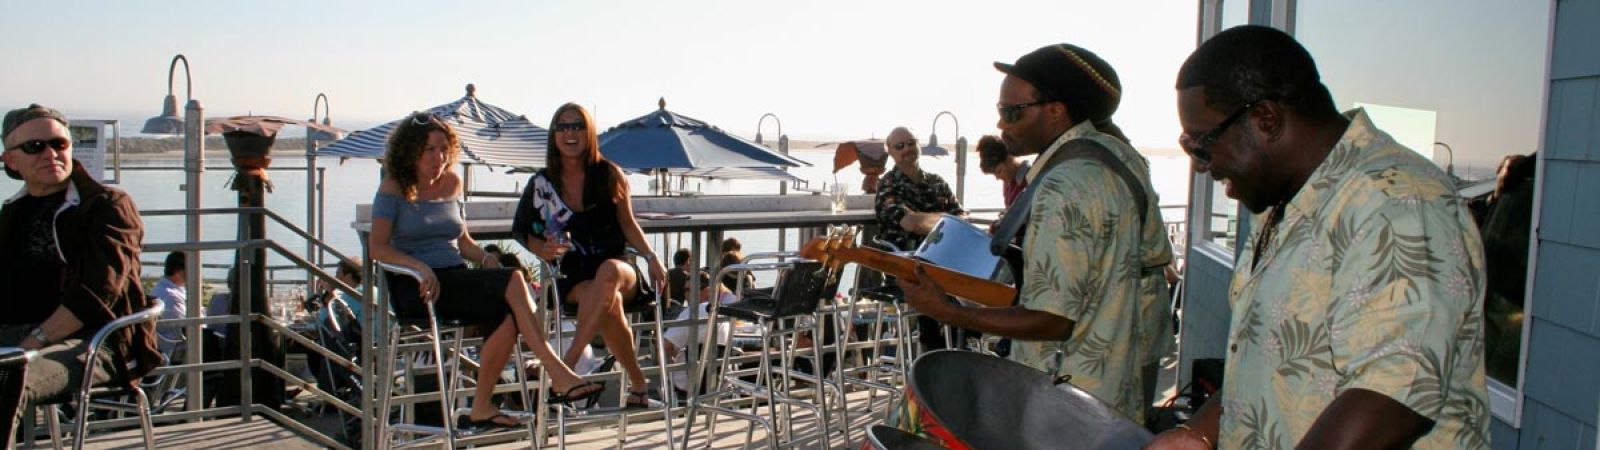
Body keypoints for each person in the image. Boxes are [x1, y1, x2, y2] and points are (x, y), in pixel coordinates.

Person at [1146, 26, 1488, 450]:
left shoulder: (1397, 204)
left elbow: (1390, 396)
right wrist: (1197, 434)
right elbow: (1268, 362)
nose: (1201, 164)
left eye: (1204, 143)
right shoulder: (1285, 201)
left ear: (1266, 120)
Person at [897, 44, 1174, 424]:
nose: (1001, 125)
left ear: (1056, 111)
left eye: (1011, 112)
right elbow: (1142, 254)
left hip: (1070, 396)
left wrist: (948, 311)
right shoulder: (1119, 155)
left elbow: (1052, 320)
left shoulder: (1063, 184)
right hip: (1119, 377)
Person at [370, 112, 602, 430]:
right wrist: (419, 266)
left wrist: (485, 259)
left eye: (442, 149)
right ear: (409, 151)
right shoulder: (394, 187)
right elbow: (377, 247)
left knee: (508, 314)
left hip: (453, 277)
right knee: (514, 280)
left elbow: (462, 240)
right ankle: (558, 373)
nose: (438, 157)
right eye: (428, 149)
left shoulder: (452, 182)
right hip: (416, 286)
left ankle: (481, 407)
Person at [0, 104, 161, 436]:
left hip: (93, 341)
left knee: (7, 377)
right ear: (10, 161)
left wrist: (34, 341)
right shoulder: (11, 213)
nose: (51, 153)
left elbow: (95, 294)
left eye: (59, 144)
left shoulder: (106, 206)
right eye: (35, 146)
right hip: (18, 334)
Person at [512, 103, 669, 410]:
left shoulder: (610, 174)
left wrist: (651, 257)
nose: (570, 133)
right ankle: (638, 386)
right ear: (554, 135)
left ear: (589, 134)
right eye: (563, 127)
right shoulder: (542, 184)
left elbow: (628, 223)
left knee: (608, 274)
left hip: (620, 267)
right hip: (574, 275)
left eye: (577, 126)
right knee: (608, 304)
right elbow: (520, 230)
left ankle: (566, 369)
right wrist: (539, 248)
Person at [873, 126, 966, 252]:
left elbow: (962, 218)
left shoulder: (938, 182)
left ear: (918, 145)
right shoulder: (887, 186)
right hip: (907, 260)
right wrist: (948, 219)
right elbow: (911, 223)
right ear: (890, 151)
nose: (907, 148)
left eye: (911, 143)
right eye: (900, 146)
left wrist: (925, 219)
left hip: (945, 257)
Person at [662, 271, 736, 394]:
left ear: (708, 290)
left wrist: (675, 355)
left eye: (691, 290)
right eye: (685, 290)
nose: (687, 294)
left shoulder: (692, 313)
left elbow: (665, 346)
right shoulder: (724, 312)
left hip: (689, 386)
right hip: (720, 385)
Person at [976, 135, 1030, 209]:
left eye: (999, 171)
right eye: (994, 174)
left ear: (1009, 158)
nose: (997, 178)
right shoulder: (1009, 184)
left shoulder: (1030, 180)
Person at [153, 251, 188, 356]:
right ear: (179, 272)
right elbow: (187, 328)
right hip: (177, 350)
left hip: (170, 345)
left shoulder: (163, 288)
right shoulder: (172, 297)